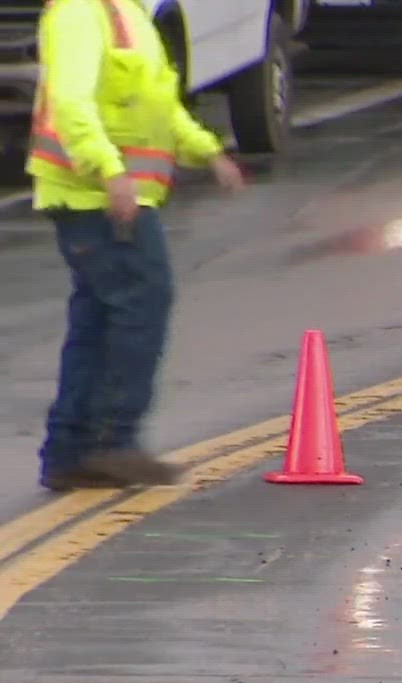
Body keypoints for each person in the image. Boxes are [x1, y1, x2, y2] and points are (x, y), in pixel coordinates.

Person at [28, 0, 246, 492]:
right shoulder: (81, 13)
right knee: (139, 306)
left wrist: (208, 151)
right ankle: (112, 444)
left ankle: (72, 453)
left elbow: (158, 105)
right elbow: (70, 103)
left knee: (99, 321)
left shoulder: (128, 13)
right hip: (96, 198)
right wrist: (109, 170)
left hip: (115, 196)